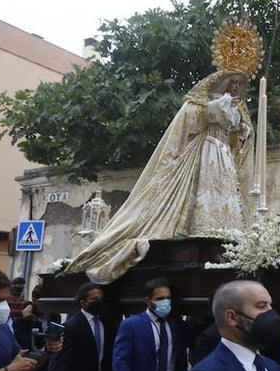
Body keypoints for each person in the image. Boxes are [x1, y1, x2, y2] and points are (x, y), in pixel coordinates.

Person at [68, 68, 254, 284]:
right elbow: (191, 119)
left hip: (223, 155)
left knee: (225, 194)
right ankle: (200, 229)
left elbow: (238, 136)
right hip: (207, 150)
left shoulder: (236, 108)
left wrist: (242, 129)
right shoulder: (205, 100)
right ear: (222, 82)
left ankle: (225, 232)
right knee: (204, 190)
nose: (236, 87)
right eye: (233, 82)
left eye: (240, 84)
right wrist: (216, 107)